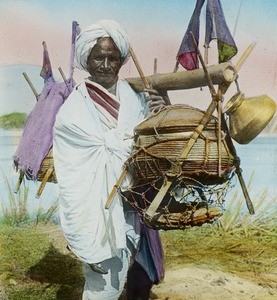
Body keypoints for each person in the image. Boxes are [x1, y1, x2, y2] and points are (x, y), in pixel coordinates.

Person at [53, 19, 168, 300]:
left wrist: (159, 113)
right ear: (87, 61)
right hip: (97, 210)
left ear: (121, 61)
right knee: (104, 284)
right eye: (98, 57)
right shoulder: (73, 110)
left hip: (132, 205)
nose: (105, 65)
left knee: (129, 271)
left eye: (112, 58)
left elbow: (151, 147)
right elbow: (75, 167)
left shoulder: (135, 99)